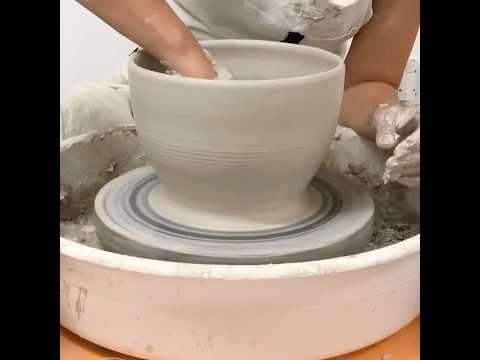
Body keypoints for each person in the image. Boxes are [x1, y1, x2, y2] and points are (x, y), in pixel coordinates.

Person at [61, 0, 420, 187]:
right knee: (78, 117)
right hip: (168, 101)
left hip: (300, 134)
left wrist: (389, 119)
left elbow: (363, 84)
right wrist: (192, 59)